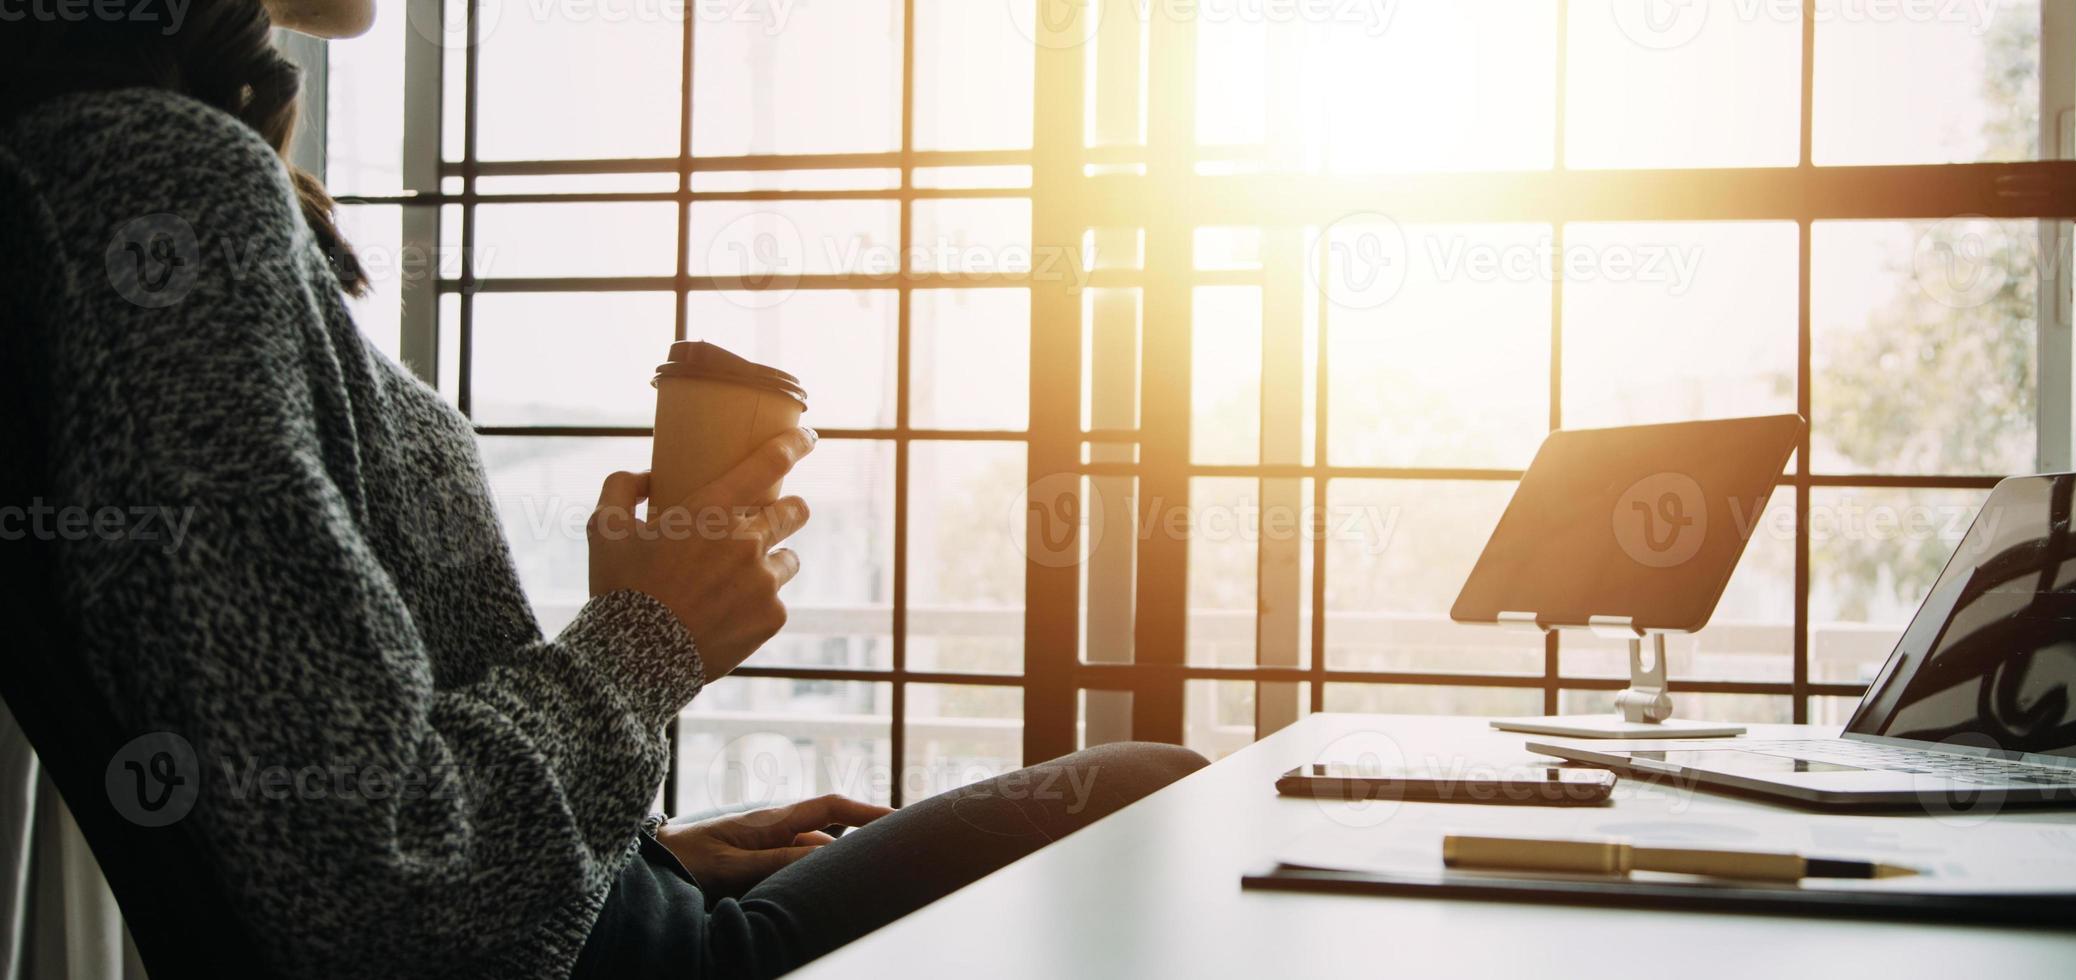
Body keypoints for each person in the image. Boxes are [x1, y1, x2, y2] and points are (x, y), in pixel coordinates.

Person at [0, 3, 1205, 978]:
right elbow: (380, 896)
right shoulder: (151, 177)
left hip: (616, 906)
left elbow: (334, 803)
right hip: (633, 960)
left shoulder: (151, 166)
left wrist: (637, 843)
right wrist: (649, 636)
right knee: (1150, 801)